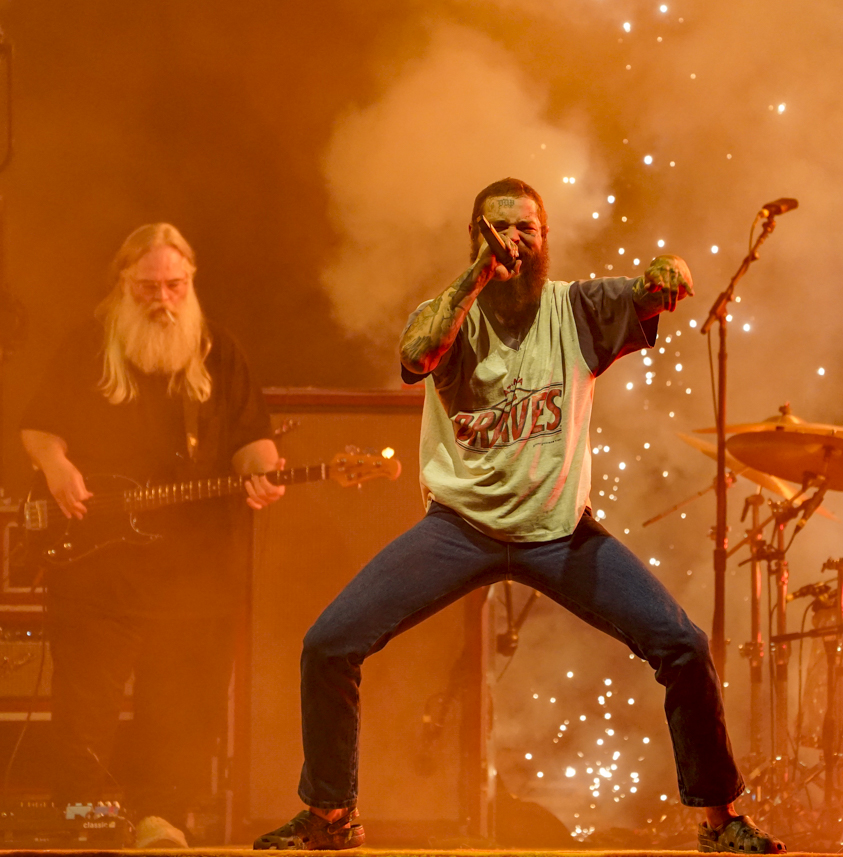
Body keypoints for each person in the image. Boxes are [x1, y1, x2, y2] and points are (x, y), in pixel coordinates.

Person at [253, 178, 785, 853]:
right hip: (458, 529)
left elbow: (651, 289)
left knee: (680, 644)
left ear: (545, 239)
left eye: (525, 228)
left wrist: (667, 274)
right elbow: (415, 355)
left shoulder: (579, 310)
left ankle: (718, 820)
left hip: (557, 532)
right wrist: (478, 274)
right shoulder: (449, 313)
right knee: (328, 644)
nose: (512, 239)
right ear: (477, 238)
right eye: (496, 227)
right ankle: (330, 816)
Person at [21, 223, 285, 847]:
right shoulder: (89, 346)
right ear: (122, 285)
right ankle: (84, 823)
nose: (163, 299)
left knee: (186, 705)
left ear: (191, 283)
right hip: (96, 569)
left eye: (175, 285)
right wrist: (58, 467)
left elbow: (253, 439)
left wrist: (264, 474)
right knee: (85, 707)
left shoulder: (219, 352)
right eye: (148, 287)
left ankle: (163, 822)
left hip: (194, 572)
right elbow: (38, 428)